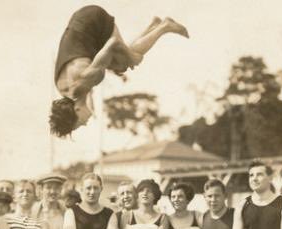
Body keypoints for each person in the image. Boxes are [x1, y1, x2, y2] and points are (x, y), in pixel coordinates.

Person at [50, 5, 188, 137]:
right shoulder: (63, 88)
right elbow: (82, 79)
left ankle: (164, 27)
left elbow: (113, 43)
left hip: (93, 20)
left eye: (79, 124)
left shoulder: (86, 78)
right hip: (81, 21)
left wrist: (132, 58)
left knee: (124, 62)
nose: (85, 124)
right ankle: (153, 25)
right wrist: (90, 98)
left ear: (77, 110)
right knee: (117, 62)